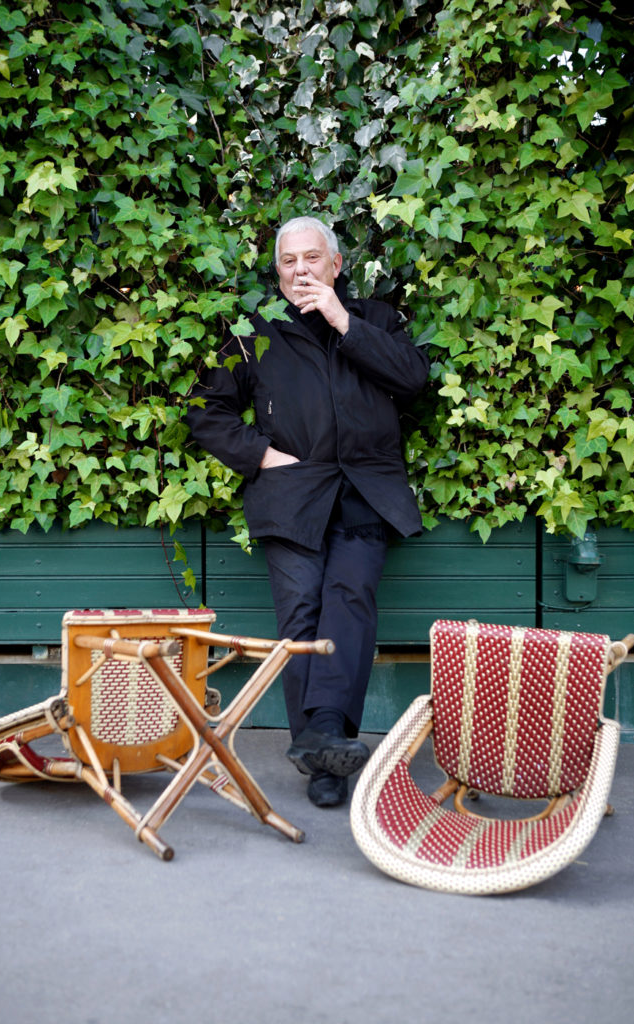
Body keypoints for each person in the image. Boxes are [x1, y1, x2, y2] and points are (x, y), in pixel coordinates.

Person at [187, 216, 430, 807]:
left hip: (366, 490)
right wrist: (259, 454)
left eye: (312, 259)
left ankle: (326, 743)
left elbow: (413, 380)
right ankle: (321, 751)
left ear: (336, 265)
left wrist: (343, 322)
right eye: (289, 262)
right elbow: (205, 409)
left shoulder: (375, 319)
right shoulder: (255, 330)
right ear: (277, 273)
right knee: (301, 615)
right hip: (293, 493)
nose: (301, 271)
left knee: (350, 601)